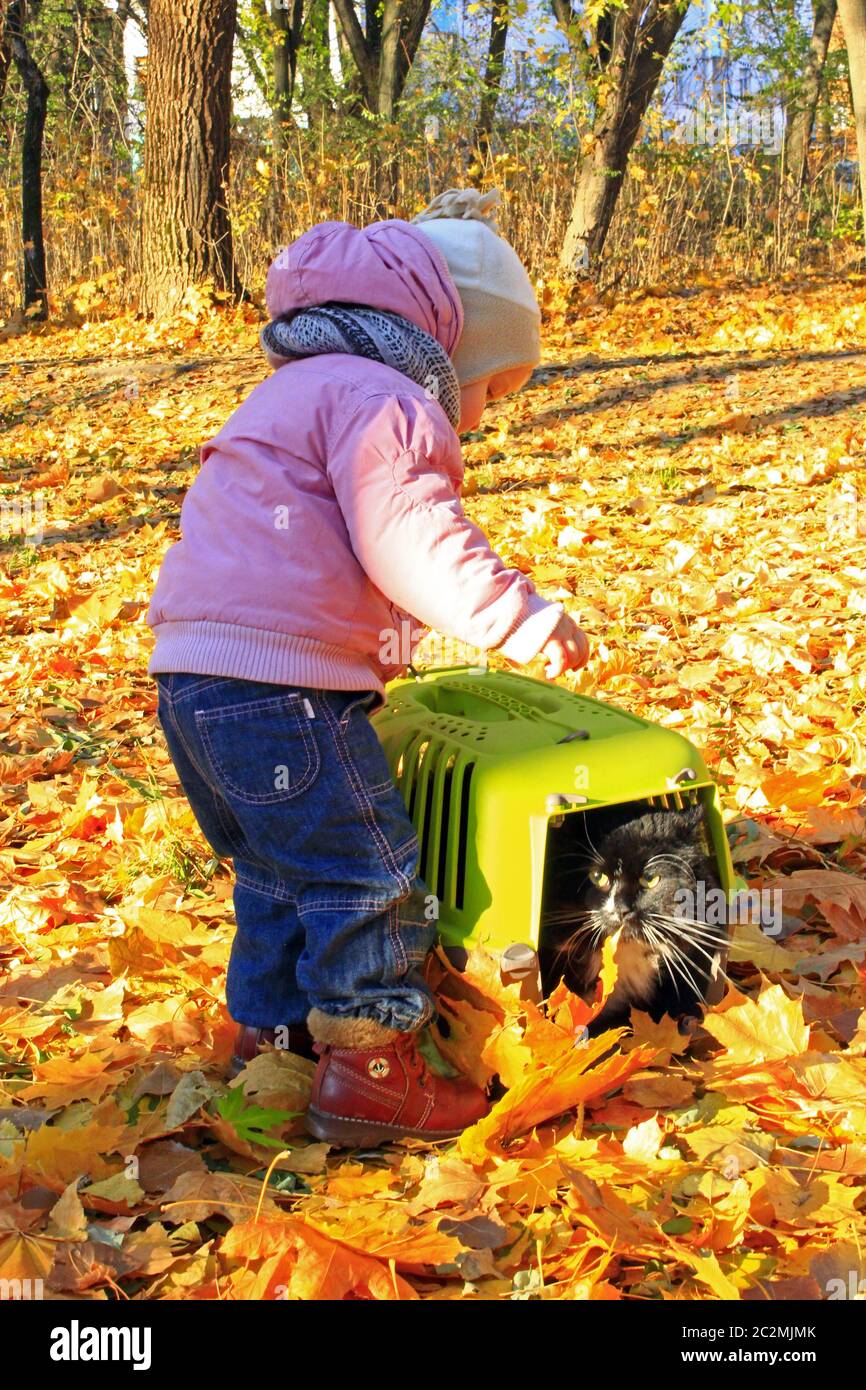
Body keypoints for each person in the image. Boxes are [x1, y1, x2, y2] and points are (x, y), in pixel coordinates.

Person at [147, 188, 589, 1147]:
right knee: (368, 871)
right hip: (283, 687)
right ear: (447, 347)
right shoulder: (389, 401)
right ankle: (373, 1070)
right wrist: (519, 617)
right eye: (492, 389)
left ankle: (269, 1047)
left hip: (192, 677)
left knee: (278, 873)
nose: (482, 417)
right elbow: (410, 536)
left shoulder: (293, 390)